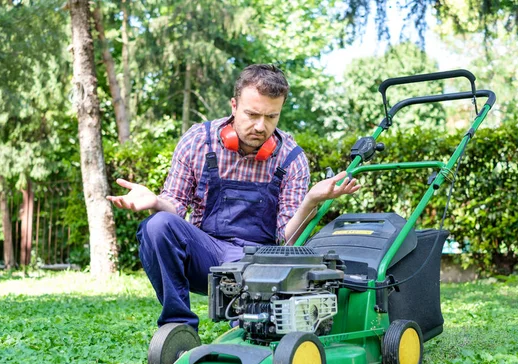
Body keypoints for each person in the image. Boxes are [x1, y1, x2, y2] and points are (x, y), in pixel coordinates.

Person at [107, 64, 360, 331]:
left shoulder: (292, 158)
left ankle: (249, 321)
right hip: (206, 254)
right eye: (252, 114)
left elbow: (288, 243)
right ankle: (178, 326)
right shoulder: (198, 141)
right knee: (156, 225)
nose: (261, 127)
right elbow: (175, 207)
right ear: (233, 106)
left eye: (272, 117)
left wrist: (311, 200)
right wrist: (156, 202)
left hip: (259, 263)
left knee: (254, 331)